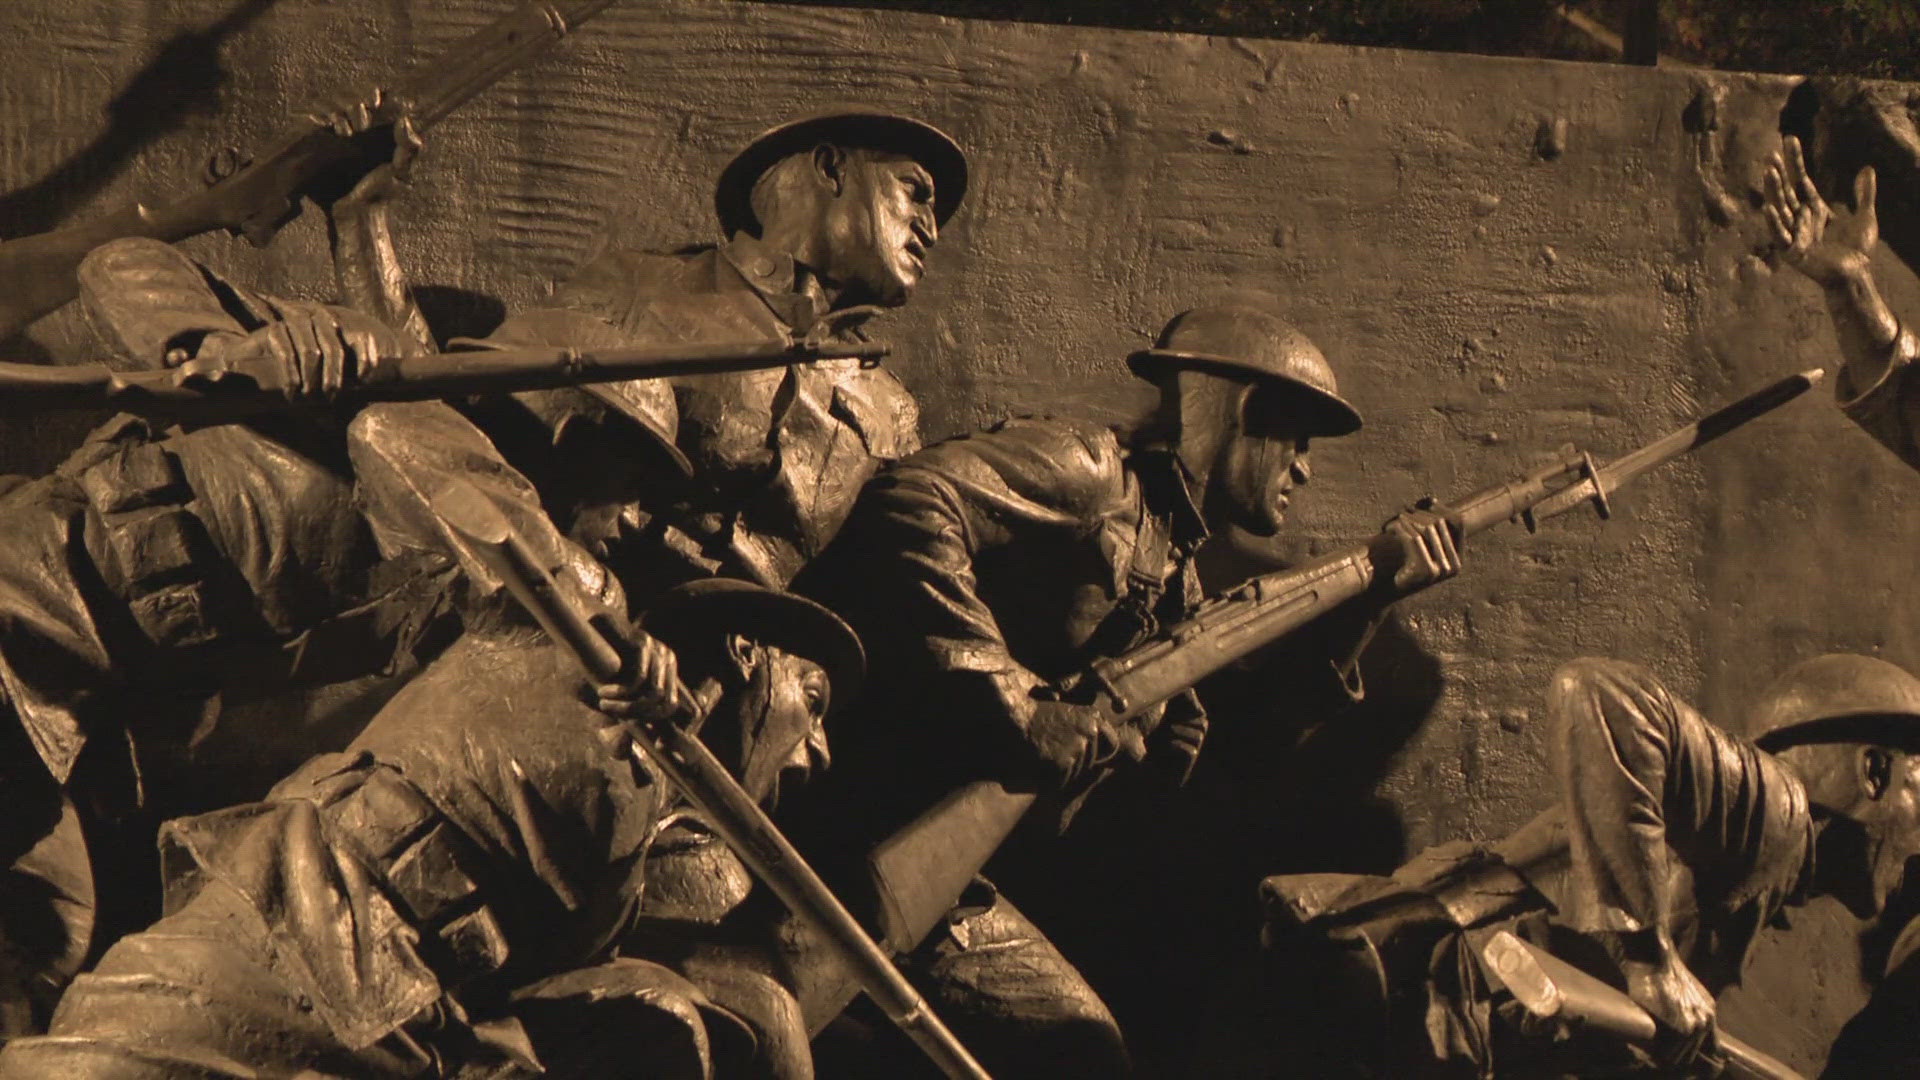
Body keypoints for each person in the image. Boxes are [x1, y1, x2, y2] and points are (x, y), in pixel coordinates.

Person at [795, 300, 1464, 1075]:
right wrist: (1014, 698)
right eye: (1296, 441)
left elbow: (1228, 777)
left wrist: (1369, 599)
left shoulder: (1176, 577)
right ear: (1245, 410)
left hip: (973, 879)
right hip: (871, 824)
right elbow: (914, 500)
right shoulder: (1093, 474)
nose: (1304, 469)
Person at [0, 577, 865, 1079]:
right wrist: (609, 631)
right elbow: (404, 442)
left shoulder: (653, 843)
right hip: (301, 920)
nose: (818, 749)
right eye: (813, 704)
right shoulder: (578, 632)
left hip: (403, 1030)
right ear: (749, 656)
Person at [1262, 652, 1920, 1078]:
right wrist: (1652, 961)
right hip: (1415, 1001)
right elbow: (1600, 693)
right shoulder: (1775, 813)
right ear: (1872, 770)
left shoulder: (1760, 862)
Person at [482, 111, 966, 592]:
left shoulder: (893, 410)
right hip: (598, 611)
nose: (931, 228)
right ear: (830, 169)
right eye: (914, 191)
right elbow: (484, 411)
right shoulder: (643, 285)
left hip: (769, 653)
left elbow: (890, 581)